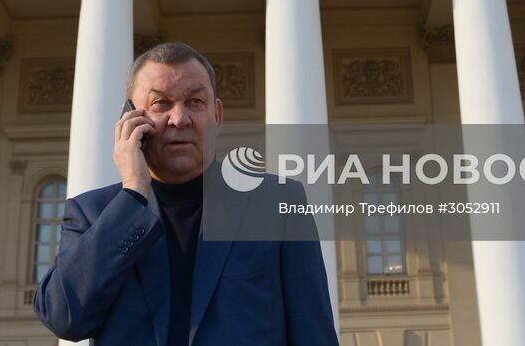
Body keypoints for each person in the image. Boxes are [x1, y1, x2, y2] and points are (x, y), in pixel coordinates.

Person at [33, 42, 338, 345]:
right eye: (161, 104)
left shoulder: (277, 201)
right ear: (130, 118)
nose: (180, 119)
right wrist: (133, 195)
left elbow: (313, 332)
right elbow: (64, 316)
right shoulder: (93, 212)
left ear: (216, 115)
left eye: (194, 102)